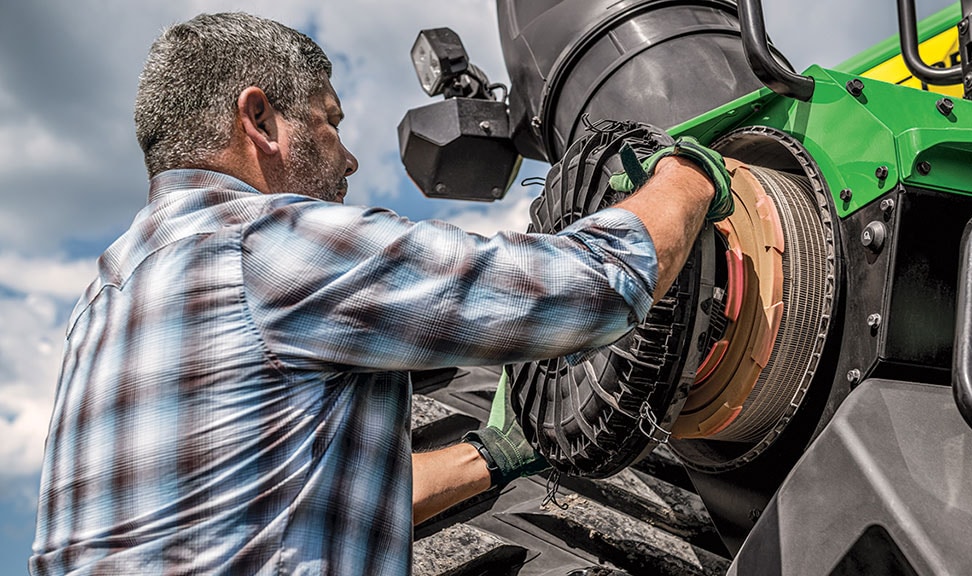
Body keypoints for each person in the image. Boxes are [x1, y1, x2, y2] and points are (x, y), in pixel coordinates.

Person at [29, 11, 732, 576]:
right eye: (329, 121)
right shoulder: (266, 245)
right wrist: (691, 171)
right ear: (260, 120)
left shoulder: (111, 297)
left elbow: (272, 513)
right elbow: (585, 288)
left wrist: (494, 456)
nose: (349, 157)